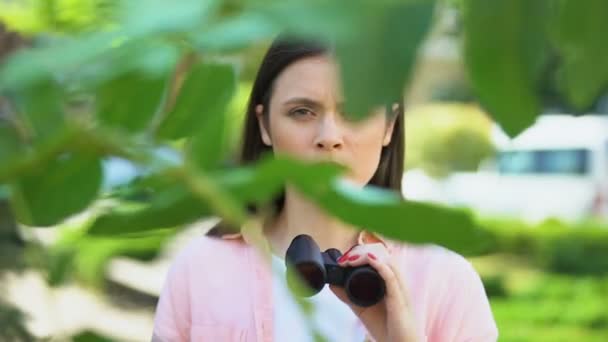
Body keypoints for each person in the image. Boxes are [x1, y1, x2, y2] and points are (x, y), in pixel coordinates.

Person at [152, 36, 499, 342]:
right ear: (264, 126)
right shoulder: (198, 270)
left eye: (355, 112)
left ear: (390, 126)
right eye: (302, 111)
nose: (329, 136)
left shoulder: (448, 283)